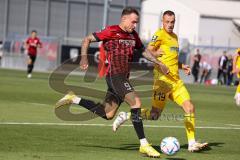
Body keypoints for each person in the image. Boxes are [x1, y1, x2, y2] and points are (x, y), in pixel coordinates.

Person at [55, 7, 169, 158]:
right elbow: (87, 39)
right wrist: (83, 57)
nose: (135, 25)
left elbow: (143, 51)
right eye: (133, 22)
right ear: (124, 19)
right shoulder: (111, 31)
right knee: (136, 103)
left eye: (137, 23)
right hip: (115, 76)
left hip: (122, 77)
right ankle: (144, 145)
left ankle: (73, 98)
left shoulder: (133, 35)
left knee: (108, 114)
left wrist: (158, 62)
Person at [112, 10, 208, 152]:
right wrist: (156, 54)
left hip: (176, 83)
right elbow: (149, 50)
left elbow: (171, 58)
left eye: (172, 22)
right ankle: (127, 115)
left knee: (190, 108)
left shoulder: (175, 37)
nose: (170, 24)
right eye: (167, 22)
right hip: (162, 82)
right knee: (154, 115)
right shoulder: (159, 34)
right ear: (162, 22)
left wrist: (182, 66)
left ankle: (192, 143)